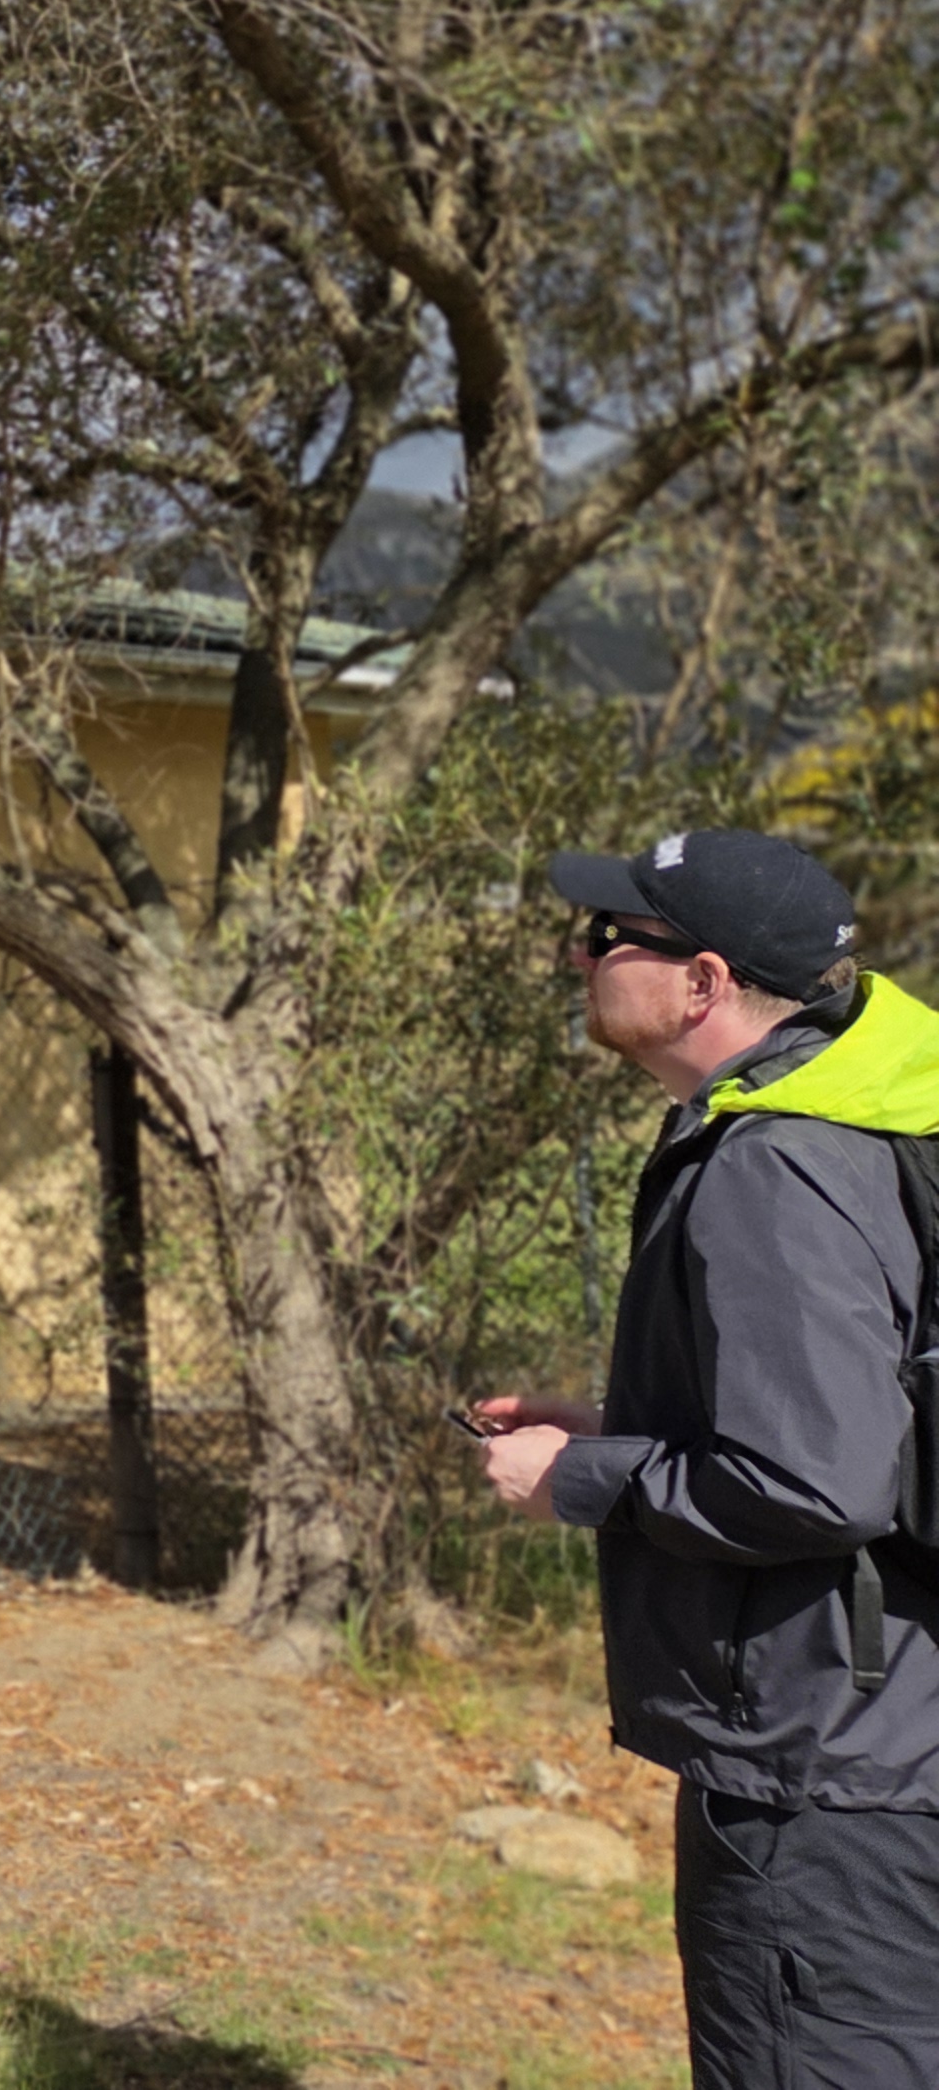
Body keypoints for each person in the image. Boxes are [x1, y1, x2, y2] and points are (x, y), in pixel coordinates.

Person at [474, 828, 939, 2088]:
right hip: (894, 1730)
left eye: (611, 936)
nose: (582, 953)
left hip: (826, 1773)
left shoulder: (773, 1162)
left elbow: (817, 1480)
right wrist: (617, 1424)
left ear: (702, 982)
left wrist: (575, 1479)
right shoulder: (874, 1112)